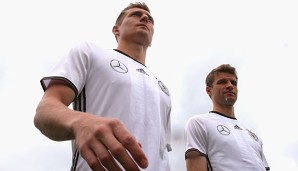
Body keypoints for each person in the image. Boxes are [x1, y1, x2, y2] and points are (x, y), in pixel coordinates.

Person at [34, 2, 172, 171]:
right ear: (116, 30)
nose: (145, 18)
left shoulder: (163, 88)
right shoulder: (90, 52)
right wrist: (80, 122)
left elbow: (163, 152)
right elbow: (44, 112)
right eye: (135, 14)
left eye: (150, 19)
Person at [184, 64, 270, 171]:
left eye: (233, 83)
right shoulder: (199, 123)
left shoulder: (253, 136)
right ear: (209, 90)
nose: (230, 85)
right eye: (222, 82)